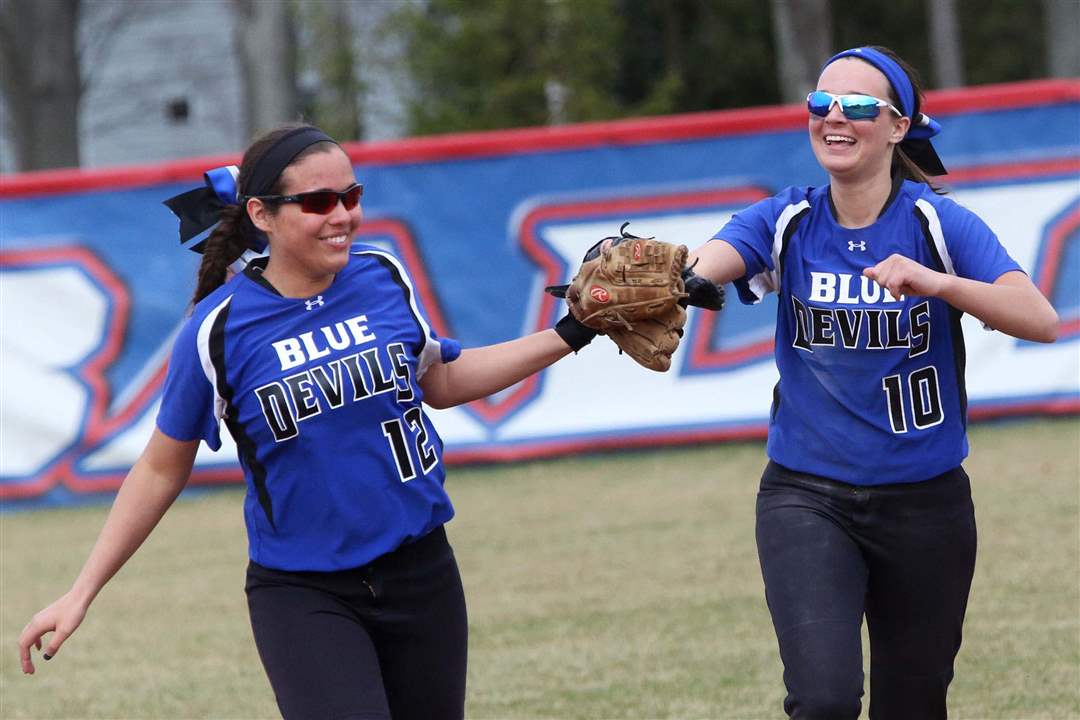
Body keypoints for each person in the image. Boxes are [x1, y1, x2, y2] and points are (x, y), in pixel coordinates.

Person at [16, 123, 599, 720]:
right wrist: (81, 592)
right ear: (261, 215)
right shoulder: (218, 329)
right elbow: (161, 469)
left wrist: (572, 332)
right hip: (305, 592)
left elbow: (443, 381)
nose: (342, 215)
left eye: (351, 196)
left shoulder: (382, 277)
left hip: (423, 572)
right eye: (318, 202)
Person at [686, 46, 1058, 719]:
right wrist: (685, 280)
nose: (834, 117)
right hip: (807, 496)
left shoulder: (934, 223)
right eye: (820, 104)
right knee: (824, 701)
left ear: (897, 126)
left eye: (857, 107)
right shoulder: (788, 218)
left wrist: (936, 281)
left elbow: (1040, 319)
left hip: (926, 505)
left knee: (910, 707)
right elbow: (713, 259)